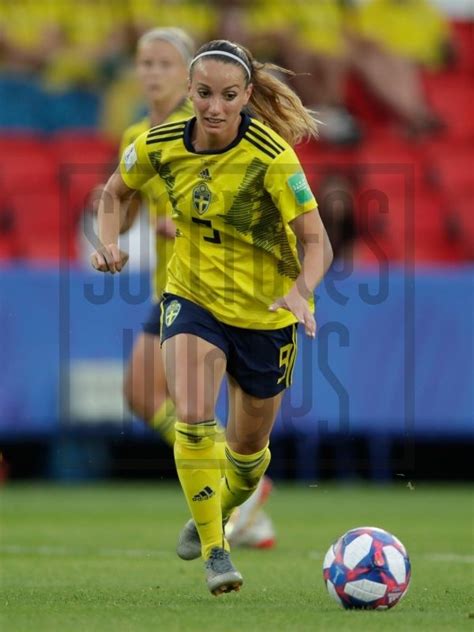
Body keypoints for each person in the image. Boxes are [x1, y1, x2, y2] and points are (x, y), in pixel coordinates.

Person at [91, 39, 333, 595]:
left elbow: (317, 242)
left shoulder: (273, 157)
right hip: (192, 296)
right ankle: (216, 552)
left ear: (247, 95)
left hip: (267, 314)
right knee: (194, 415)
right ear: (190, 93)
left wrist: (301, 291)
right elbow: (114, 191)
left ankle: (224, 505)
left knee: (247, 457)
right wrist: (107, 243)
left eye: (228, 96)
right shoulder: (158, 143)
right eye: (204, 94)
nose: (214, 107)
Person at [105, 27, 276, 549]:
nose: (149, 73)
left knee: (175, 399)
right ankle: (241, 494)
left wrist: (181, 225)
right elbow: (126, 197)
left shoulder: (205, 127)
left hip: (217, 288)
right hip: (172, 284)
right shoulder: (139, 134)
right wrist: (118, 222)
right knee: (144, 393)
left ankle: (239, 490)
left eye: (162, 63)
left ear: (188, 77)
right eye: (143, 62)